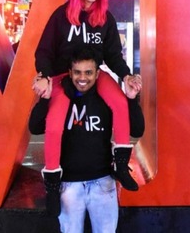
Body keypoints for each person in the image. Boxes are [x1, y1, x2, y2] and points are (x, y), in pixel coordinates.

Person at [32, 0, 143, 194]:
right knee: (53, 124)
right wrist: (44, 76)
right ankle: (52, 184)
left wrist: (126, 75)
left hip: (95, 73)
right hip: (64, 76)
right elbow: (44, 52)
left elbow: (113, 55)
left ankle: (120, 166)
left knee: (121, 104)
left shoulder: (105, 19)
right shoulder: (61, 15)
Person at [29, 47, 144, 229]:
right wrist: (44, 100)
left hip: (103, 182)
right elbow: (34, 128)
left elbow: (137, 130)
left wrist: (131, 99)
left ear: (98, 73)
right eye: (77, 72)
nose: (82, 78)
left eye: (88, 72)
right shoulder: (61, 97)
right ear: (69, 72)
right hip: (68, 185)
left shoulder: (107, 98)